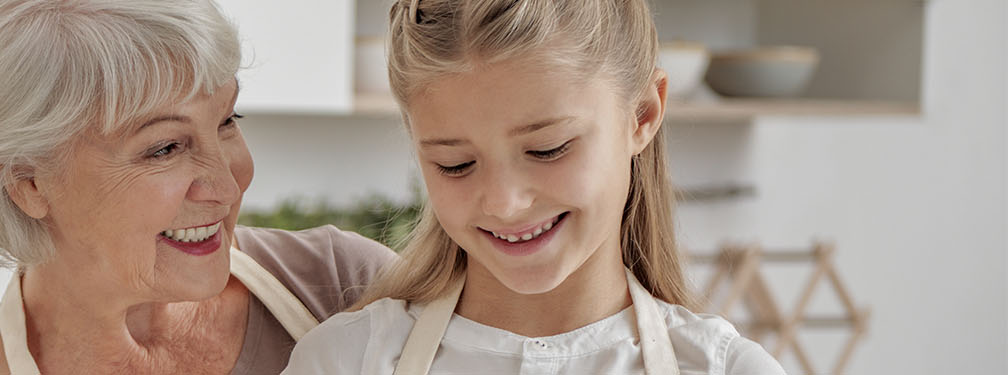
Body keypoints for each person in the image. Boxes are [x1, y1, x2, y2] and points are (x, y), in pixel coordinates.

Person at [282, 0, 788, 374]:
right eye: (455, 164)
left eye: (547, 149)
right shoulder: (342, 362)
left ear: (643, 114)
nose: (504, 203)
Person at [0, 0, 397, 373]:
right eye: (165, 147)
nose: (228, 186)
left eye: (228, 120)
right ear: (28, 183)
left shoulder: (345, 287)